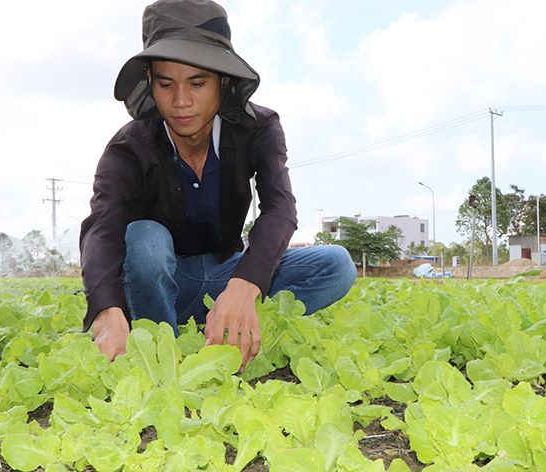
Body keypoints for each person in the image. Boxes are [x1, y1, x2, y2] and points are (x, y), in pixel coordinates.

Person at [80, 0, 357, 373]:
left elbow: (280, 208)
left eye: (197, 83)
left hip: (229, 273)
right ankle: (163, 349)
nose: (181, 101)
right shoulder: (128, 147)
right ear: (149, 81)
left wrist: (244, 287)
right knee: (144, 239)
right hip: (165, 284)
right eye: (166, 84)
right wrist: (107, 311)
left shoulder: (258, 128)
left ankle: (237, 323)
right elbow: (102, 229)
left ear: (222, 81)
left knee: (336, 265)